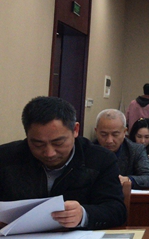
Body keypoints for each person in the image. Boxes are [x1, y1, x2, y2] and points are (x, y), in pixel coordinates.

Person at [0, 96, 126, 229]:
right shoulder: (5, 158)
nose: (49, 153)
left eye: (58, 143)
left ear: (75, 130)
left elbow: (117, 211)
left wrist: (83, 214)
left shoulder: (100, 159)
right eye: (38, 144)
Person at [94, 109, 149, 189]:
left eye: (115, 134)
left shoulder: (135, 150)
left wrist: (128, 180)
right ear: (96, 131)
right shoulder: (88, 150)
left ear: (124, 132)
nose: (109, 140)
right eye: (104, 134)